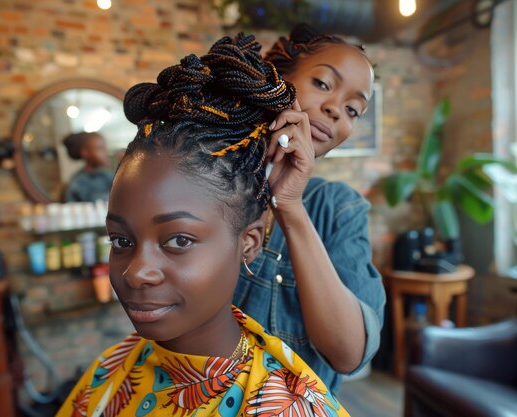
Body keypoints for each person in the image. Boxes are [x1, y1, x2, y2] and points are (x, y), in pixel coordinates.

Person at [56, 33, 351, 417]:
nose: (136, 273)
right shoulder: (109, 372)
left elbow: (349, 350)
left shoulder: (284, 407)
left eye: (178, 239)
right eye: (121, 240)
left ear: (249, 243)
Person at [232, 22, 386, 393]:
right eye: (322, 84)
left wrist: (290, 207)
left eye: (353, 109)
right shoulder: (209, 181)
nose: (336, 110)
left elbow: (348, 354)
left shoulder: (340, 209)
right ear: (276, 81)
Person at [61, 131, 113, 202]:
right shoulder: (77, 184)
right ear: (85, 153)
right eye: (100, 148)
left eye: (105, 147)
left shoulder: (109, 176)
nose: (106, 152)